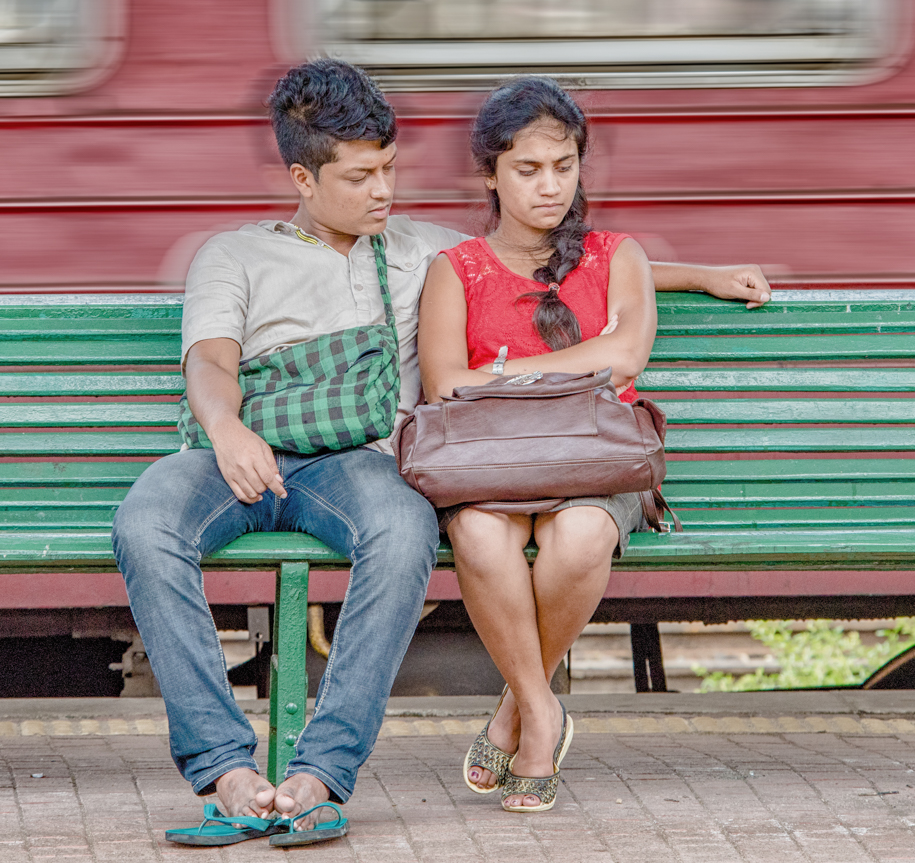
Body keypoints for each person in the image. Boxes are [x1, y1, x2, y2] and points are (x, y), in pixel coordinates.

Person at [114, 60, 768, 846]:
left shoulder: (421, 250)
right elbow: (211, 361)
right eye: (360, 177)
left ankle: (319, 774)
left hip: (353, 463)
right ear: (302, 178)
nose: (383, 191)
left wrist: (703, 277)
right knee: (146, 521)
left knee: (405, 529)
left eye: (389, 168)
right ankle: (227, 770)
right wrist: (226, 428)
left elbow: (551, 262)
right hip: (238, 450)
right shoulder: (234, 254)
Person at [417, 75, 728, 813]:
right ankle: (542, 707)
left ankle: (514, 712)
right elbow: (443, 384)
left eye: (564, 166)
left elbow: (625, 355)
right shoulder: (455, 270)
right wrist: (571, 367)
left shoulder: (618, 253)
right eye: (527, 169)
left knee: (583, 535)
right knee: (479, 535)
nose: (550, 186)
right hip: (490, 465)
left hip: (595, 464)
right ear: (489, 174)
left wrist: (503, 372)